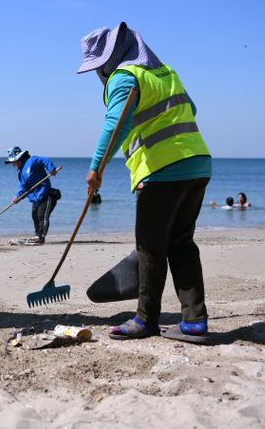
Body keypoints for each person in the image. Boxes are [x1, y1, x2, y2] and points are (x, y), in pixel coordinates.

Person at [78, 22, 213, 340]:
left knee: (150, 248)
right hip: (197, 163)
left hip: (163, 171)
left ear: (111, 60)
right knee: (181, 244)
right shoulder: (164, 71)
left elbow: (116, 124)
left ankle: (145, 319)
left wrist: (96, 168)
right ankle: (194, 321)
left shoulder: (124, 77)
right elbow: (190, 108)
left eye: (100, 67)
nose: (100, 74)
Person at [5, 147, 61, 245]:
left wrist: (51, 169)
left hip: (46, 194)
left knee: (42, 216)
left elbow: (46, 160)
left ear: (20, 158)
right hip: (35, 199)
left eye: (14, 161)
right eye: (12, 163)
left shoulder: (33, 160)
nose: (14, 164)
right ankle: (37, 235)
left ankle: (41, 237)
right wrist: (18, 196)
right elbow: (24, 188)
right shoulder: (20, 173)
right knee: (35, 215)